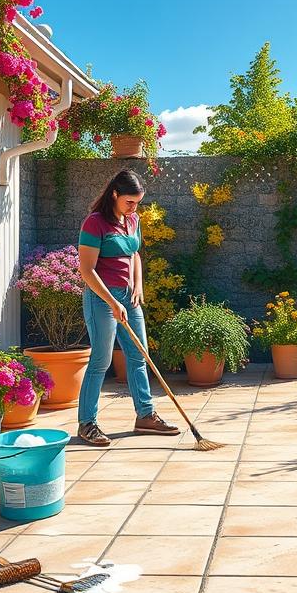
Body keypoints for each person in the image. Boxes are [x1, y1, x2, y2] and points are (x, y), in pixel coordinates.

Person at [76, 169, 180, 446]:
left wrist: (138, 286)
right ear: (114, 194)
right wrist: (112, 302)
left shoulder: (132, 220)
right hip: (101, 298)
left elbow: (134, 254)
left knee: (138, 356)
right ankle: (87, 424)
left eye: (137, 202)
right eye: (129, 202)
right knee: (101, 361)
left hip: (129, 297)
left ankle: (145, 416)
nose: (134, 207)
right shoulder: (94, 223)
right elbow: (87, 270)